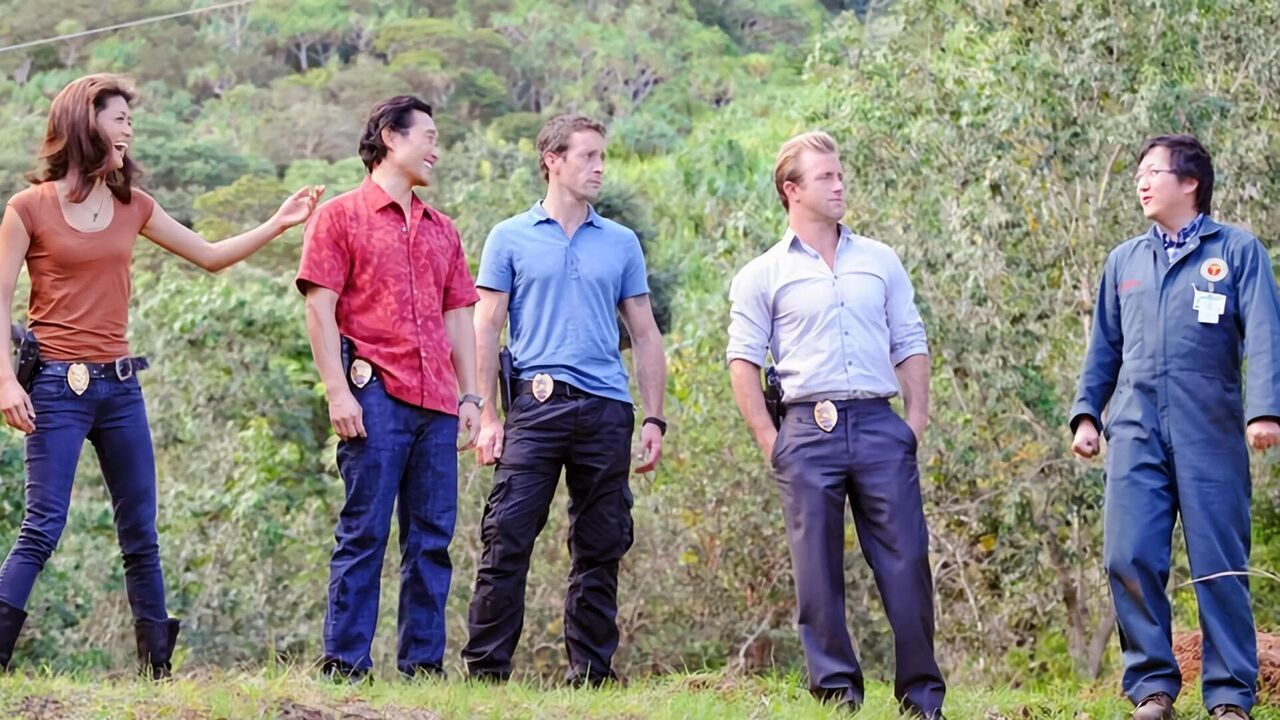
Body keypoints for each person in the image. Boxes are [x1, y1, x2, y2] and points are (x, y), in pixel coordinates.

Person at [0, 73, 321, 677]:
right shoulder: (29, 207)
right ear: (84, 123)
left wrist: (278, 223)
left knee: (140, 533)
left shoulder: (134, 206)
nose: (128, 128)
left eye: (129, 118)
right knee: (42, 526)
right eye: (118, 117)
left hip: (120, 387)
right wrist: (5, 382)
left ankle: (157, 674)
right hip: (56, 385)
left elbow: (210, 255)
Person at [726, 131, 946, 718]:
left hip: (879, 424)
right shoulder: (762, 273)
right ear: (791, 189)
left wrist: (914, 422)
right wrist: (771, 442)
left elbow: (910, 340)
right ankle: (836, 695)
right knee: (816, 572)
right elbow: (742, 360)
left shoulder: (880, 260)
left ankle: (922, 699)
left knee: (907, 562)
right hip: (805, 430)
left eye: (840, 173)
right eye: (825, 176)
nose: (840, 184)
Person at [1070, 134, 1280, 720]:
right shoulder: (1125, 261)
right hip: (1134, 428)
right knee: (1128, 553)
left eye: (1153, 172)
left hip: (1208, 427)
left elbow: (1266, 334)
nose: (1141, 182)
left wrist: (1265, 410)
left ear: (1190, 182)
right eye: (1138, 174)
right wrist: (1087, 413)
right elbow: (1104, 347)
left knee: (1219, 563)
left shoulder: (1237, 252)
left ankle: (1230, 695)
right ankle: (1152, 688)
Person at [461, 113, 667, 686]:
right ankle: (486, 674)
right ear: (552, 160)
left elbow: (646, 334)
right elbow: (486, 327)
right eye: (588, 156)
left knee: (601, 544)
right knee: (507, 536)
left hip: (606, 408)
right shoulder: (509, 236)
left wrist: (655, 417)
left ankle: (592, 675)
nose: (600, 167)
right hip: (536, 404)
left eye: (603, 156)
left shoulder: (621, 242)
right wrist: (489, 414)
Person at [296, 95, 480, 681]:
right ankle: (345, 666)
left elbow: (459, 318)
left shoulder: (443, 230)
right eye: (428, 137)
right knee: (364, 533)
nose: (435, 150)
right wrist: (337, 391)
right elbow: (320, 309)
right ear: (390, 138)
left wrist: (471, 396)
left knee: (431, 540)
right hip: (373, 393)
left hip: (438, 403)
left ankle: (423, 668)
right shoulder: (339, 217)